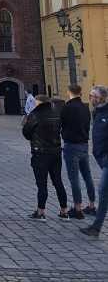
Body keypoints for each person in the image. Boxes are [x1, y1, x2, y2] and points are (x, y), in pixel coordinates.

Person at [22, 94, 69, 221]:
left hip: (40, 153)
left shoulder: (35, 115)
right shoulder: (56, 113)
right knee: (58, 181)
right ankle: (64, 211)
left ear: (38, 103)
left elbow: (26, 133)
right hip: (56, 151)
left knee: (42, 184)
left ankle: (41, 212)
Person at [60, 84, 97, 219]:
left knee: (74, 177)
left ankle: (77, 208)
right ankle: (92, 205)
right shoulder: (85, 107)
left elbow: (60, 124)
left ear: (68, 93)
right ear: (81, 93)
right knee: (87, 175)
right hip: (84, 144)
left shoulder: (67, 108)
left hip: (71, 145)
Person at [81, 85, 108, 238]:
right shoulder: (97, 111)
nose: (90, 98)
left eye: (92, 96)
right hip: (100, 157)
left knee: (103, 191)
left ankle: (96, 228)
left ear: (99, 98)